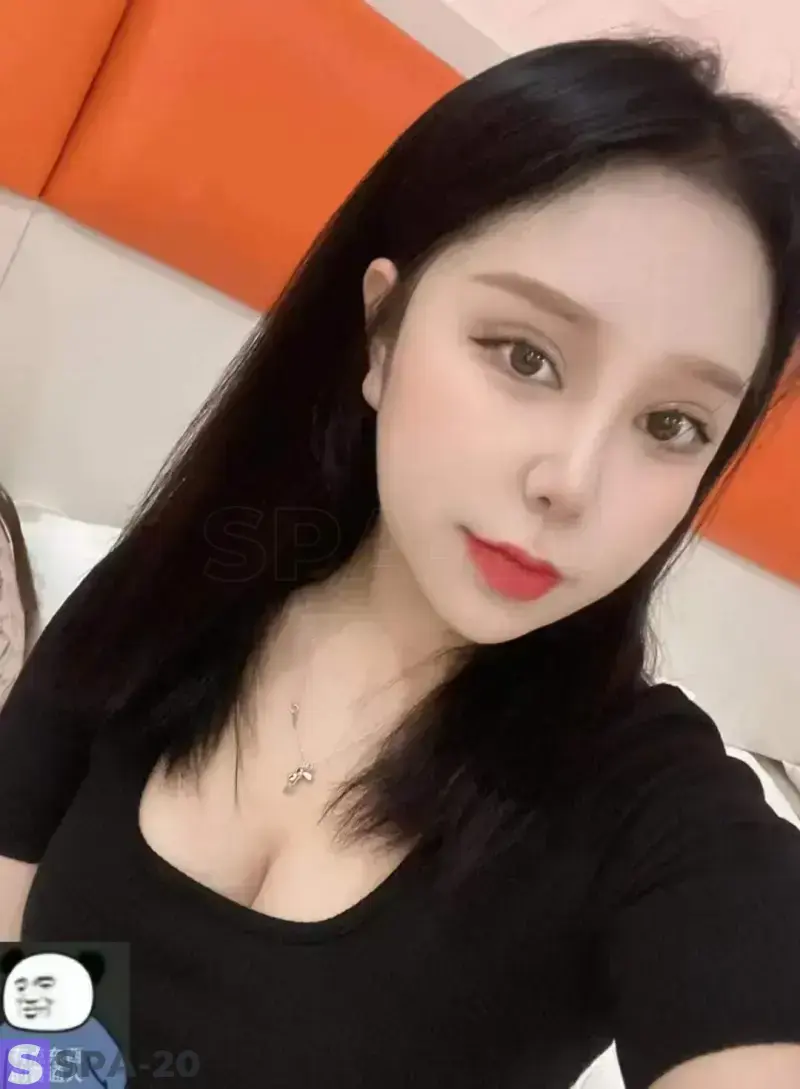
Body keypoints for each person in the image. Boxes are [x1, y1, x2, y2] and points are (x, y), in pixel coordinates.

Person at [0, 32, 799, 1089]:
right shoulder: (176, 590)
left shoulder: (649, 806)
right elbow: (12, 905)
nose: (572, 482)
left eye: (671, 424)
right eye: (526, 356)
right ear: (382, 330)